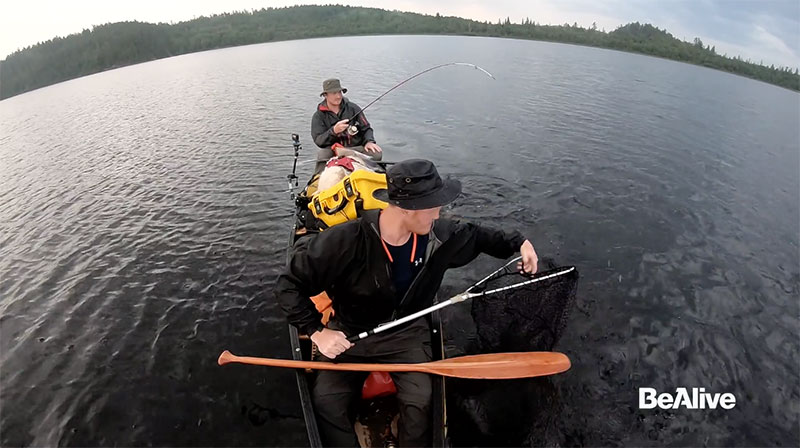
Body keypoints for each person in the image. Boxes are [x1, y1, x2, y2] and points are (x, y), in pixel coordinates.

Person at [275, 159, 539, 447]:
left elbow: (478, 236)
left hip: (407, 334)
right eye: (433, 205)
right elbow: (289, 284)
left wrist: (520, 243)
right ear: (406, 208)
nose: (440, 212)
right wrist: (317, 332)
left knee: (420, 402)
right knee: (327, 403)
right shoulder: (347, 240)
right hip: (351, 333)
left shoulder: (438, 236)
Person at [311, 78, 383, 174]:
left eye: (340, 92)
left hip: (355, 148)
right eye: (334, 93)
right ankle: (318, 181)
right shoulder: (318, 116)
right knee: (322, 155)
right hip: (334, 151)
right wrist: (334, 131)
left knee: (376, 153)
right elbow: (319, 140)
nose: (338, 96)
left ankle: (372, 176)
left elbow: (366, 129)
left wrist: (369, 141)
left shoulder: (353, 108)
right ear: (325, 95)